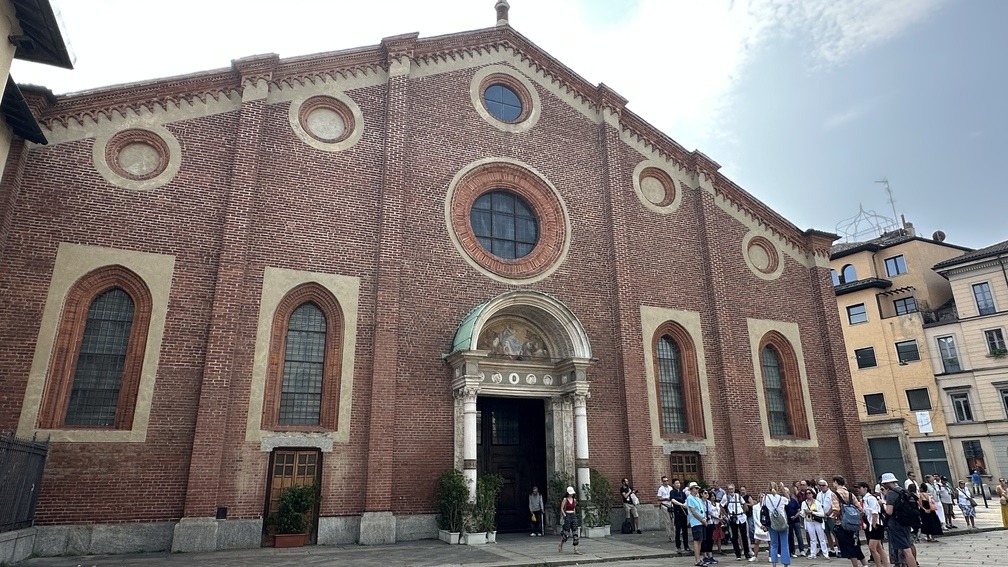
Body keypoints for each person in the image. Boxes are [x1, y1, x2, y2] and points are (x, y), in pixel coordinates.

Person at [882, 472, 919, 567]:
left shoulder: (891, 493)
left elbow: (889, 511)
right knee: (907, 546)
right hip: (906, 522)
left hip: (896, 523)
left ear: (887, 483)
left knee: (906, 550)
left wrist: (883, 504)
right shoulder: (903, 490)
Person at [829, 476, 867, 567]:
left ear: (836, 482)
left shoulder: (835, 494)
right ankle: (865, 565)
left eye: (833, 482)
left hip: (842, 524)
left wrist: (835, 519)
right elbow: (861, 509)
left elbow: (836, 509)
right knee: (856, 544)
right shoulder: (850, 494)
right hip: (854, 524)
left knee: (848, 546)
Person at [857, 482, 889, 567]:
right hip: (871, 524)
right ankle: (886, 565)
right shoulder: (864, 499)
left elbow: (875, 513)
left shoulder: (870, 498)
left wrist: (874, 525)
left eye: (859, 488)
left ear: (865, 488)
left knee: (872, 548)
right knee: (879, 548)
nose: (858, 490)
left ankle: (879, 564)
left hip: (875, 525)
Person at [721, 483, 753, 561]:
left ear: (734, 489)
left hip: (741, 517)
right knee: (735, 537)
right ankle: (738, 554)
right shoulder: (726, 497)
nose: (731, 490)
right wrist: (726, 514)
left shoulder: (738, 496)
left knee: (744, 536)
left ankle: (747, 553)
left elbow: (744, 504)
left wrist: (744, 512)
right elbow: (721, 506)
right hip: (732, 518)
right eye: (729, 489)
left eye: (732, 489)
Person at [763, 482, 791, 567]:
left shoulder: (766, 498)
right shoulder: (781, 498)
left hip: (772, 523)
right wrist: (783, 489)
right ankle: (785, 563)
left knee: (774, 544)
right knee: (784, 544)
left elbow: (762, 506)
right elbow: (788, 500)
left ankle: (774, 562)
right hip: (782, 522)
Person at [801, 488, 828, 560]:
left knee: (821, 537)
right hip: (809, 521)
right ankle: (813, 554)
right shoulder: (804, 503)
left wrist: (813, 512)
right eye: (806, 493)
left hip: (817, 521)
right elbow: (802, 514)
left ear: (812, 494)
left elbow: (822, 513)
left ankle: (825, 553)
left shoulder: (817, 502)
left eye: (809, 493)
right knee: (812, 538)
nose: (808, 495)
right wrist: (804, 512)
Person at [686, 482, 709, 567]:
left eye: (698, 488)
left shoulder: (698, 499)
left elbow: (702, 509)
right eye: (696, 488)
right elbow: (693, 512)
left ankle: (699, 558)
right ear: (691, 489)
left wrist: (704, 518)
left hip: (701, 521)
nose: (697, 490)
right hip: (696, 522)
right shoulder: (690, 498)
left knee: (700, 540)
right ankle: (697, 560)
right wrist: (702, 520)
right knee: (697, 540)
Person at [816, 478, 838, 556]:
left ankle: (839, 549)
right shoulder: (819, 495)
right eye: (820, 485)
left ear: (827, 485)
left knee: (835, 533)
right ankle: (832, 550)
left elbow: (833, 505)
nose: (822, 487)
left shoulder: (831, 494)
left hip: (830, 516)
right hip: (822, 516)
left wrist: (828, 514)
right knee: (827, 533)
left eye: (823, 485)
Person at [558, 486, 581, 554]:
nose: (571, 494)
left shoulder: (574, 500)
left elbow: (574, 508)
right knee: (566, 533)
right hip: (567, 515)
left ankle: (576, 549)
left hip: (573, 515)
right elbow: (562, 508)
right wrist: (564, 515)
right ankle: (561, 544)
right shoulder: (565, 499)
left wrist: (574, 515)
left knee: (575, 532)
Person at [671, 479, 691, 554]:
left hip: (684, 512)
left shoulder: (682, 493)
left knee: (685, 530)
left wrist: (685, 505)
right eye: (676, 483)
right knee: (678, 530)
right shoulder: (672, 492)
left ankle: (686, 545)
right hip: (677, 512)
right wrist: (680, 504)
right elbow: (672, 500)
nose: (678, 484)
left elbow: (686, 501)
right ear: (673, 485)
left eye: (678, 483)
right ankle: (678, 546)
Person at [785, 485, 805, 557]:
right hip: (788, 521)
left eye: (787, 492)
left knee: (799, 535)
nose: (786, 493)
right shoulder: (783, 501)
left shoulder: (794, 501)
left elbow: (799, 510)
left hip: (796, 520)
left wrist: (795, 516)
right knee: (790, 536)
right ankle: (792, 551)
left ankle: (802, 550)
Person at [750, 491, 769, 562]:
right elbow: (755, 518)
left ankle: (771, 556)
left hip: (766, 526)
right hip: (758, 526)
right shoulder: (755, 507)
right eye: (761, 497)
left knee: (770, 542)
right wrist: (761, 526)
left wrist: (766, 525)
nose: (762, 499)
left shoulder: (768, 507)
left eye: (763, 497)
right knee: (756, 542)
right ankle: (755, 556)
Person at [707, 489, 724, 560]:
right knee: (713, 536)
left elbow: (720, 511)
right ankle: (710, 550)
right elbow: (710, 513)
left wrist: (721, 517)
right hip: (713, 521)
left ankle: (719, 550)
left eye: (714, 496)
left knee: (719, 537)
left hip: (718, 522)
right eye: (712, 496)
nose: (713, 497)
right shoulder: (708, 504)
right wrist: (717, 518)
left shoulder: (717, 504)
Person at [658, 476, 675, 542]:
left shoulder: (670, 488)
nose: (666, 482)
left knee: (673, 521)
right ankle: (670, 536)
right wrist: (665, 498)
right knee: (667, 521)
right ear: (662, 482)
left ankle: (675, 536)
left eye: (667, 480)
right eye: (664, 481)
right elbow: (659, 498)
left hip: (671, 505)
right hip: (665, 505)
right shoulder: (661, 489)